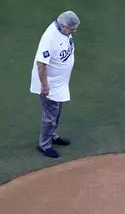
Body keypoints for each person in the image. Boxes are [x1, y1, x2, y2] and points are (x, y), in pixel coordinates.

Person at [29, 11, 80, 158]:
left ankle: (52, 135)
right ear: (64, 26)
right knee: (50, 115)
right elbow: (41, 64)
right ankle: (44, 145)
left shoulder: (63, 31)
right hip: (49, 84)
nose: (74, 32)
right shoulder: (50, 38)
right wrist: (44, 86)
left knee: (56, 112)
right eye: (72, 29)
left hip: (60, 83)